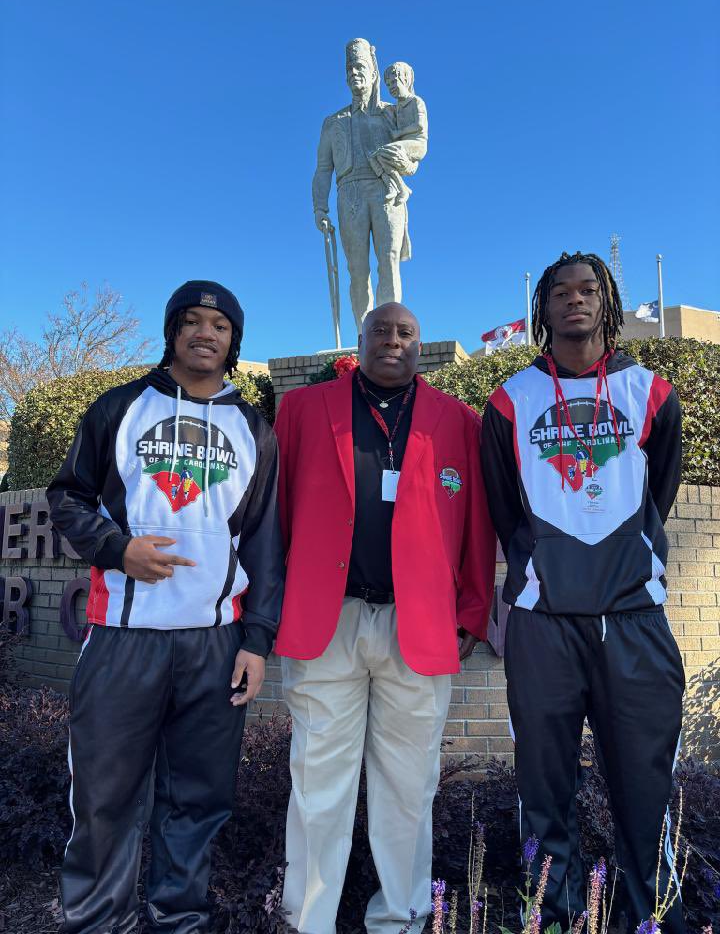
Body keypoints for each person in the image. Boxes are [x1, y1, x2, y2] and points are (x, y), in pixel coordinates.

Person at [47, 280, 284, 934]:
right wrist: (118, 550)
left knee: (198, 801)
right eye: (192, 322)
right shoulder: (117, 408)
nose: (205, 334)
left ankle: (178, 921)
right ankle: (98, 924)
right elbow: (66, 498)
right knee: (106, 799)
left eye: (220, 325)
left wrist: (257, 641)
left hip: (214, 643)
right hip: (125, 636)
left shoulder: (254, 430)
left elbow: (265, 543)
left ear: (235, 341)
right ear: (172, 331)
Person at [274, 302, 496, 934]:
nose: (392, 341)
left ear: (419, 345)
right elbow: (275, 515)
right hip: (327, 622)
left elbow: (477, 527)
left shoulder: (460, 422)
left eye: (406, 332)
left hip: (418, 628)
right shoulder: (302, 411)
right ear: (362, 339)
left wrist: (470, 614)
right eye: (381, 330)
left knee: (408, 789)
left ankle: (399, 919)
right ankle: (306, 920)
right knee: (318, 785)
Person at [481, 252, 685, 933]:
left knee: (644, 789)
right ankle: (553, 916)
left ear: (607, 302)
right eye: (560, 292)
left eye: (587, 289)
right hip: (544, 623)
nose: (575, 300)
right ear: (542, 309)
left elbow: (660, 493)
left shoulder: (652, 393)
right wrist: (546, 565)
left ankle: (647, 917)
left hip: (633, 618)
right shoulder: (509, 401)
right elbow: (504, 510)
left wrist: (627, 560)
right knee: (546, 791)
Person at [312, 39, 426, 333]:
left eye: (360, 67)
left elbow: (417, 143)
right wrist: (319, 208)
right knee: (357, 269)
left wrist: (404, 155)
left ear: (373, 73)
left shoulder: (393, 112)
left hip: (386, 190)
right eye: (350, 69)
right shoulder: (333, 122)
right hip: (349, 193)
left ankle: (391, 330)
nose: (354, 74)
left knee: (388, 261)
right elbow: (324, 169)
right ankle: (364, 334)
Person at [369, 61, 428, 206]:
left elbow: (419, 125)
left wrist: (399, 133)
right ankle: (397, 186)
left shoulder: (416, 101)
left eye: (394, 82)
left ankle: (400, 188)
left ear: (406, 80)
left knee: (384, 153)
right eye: (388, 85)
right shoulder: (397, 108)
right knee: (374, 157)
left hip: (417, 143)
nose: (391, 87)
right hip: (404, 144)